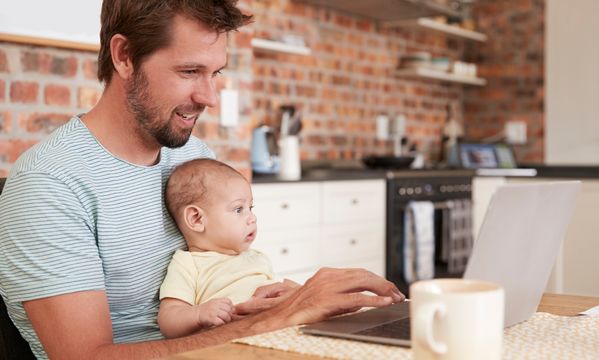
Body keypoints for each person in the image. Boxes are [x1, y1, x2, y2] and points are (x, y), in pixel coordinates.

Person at [0, 0, 404, 359]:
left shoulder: (193, 156)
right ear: (124, 56)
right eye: (190, 71)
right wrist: (275, 320)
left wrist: (278, 299)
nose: (209, 96)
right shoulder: (49, 185)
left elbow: (218, 274)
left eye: (216, 72)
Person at [158, 158, 298, 338]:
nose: (252, 218)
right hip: (234, 342)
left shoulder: (257, 257)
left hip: (278, 331)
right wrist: (199, 314)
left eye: (251, 207)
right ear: (197, 219)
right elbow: (168, 319)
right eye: (239, 209)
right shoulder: (188, 264)